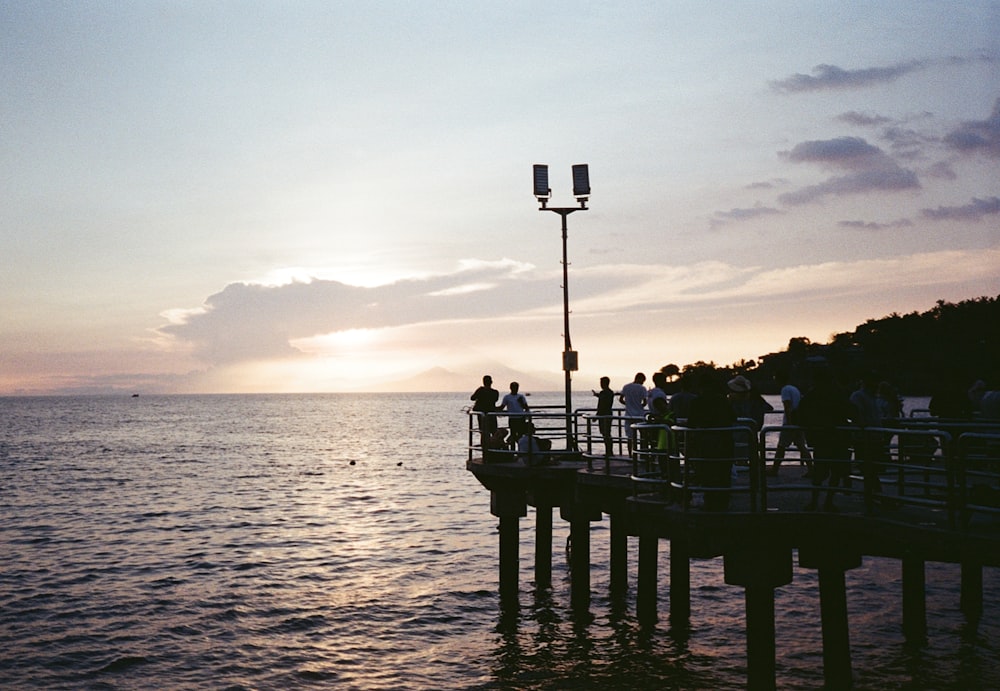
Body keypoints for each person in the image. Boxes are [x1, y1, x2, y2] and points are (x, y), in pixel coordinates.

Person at [798, 367, 854, 512]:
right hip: (837, 439)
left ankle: (814, 501)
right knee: (835, 471)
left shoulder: (811, 396)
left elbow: (799, 415)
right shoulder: (837, 393)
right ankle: (828, 501)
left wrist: (811, 427)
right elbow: (852, 411)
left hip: (820, 440)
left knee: (820, 472)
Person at [686, 371, 736, 511]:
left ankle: (711, 503)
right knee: (723, 474)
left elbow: (691, 423)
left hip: (705, 444)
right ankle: (723, 504)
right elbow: (733, 418)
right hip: (725, 443)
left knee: (707, 473)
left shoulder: (696, 402)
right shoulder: (723, 400)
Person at [771, 370, 813, 476]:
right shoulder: (794, 389)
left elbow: (787, 406)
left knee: (781, 446)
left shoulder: (785, 390)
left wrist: (789, 423)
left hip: (791, 422)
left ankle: (774, 469)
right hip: (798, 421)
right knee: (801, 446)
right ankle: (811, 469)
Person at [619, 372, 647, 456]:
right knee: (643, 435)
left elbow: (621, 399)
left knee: (630, 437)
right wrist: (640, 405)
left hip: (628, 415)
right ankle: (642, 453)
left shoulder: (626, 387)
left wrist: (627, 404)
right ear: (641, 379)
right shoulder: (642, 388)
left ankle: (630, 454)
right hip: (639, 414)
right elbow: (645, 402)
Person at [499, 381, 530, 448]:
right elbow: (502, 407)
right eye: (513, 387)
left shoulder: (521, 397)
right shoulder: (507, 397)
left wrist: (521, 403)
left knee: (520, 435)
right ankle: (513, 451)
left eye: (516, 387)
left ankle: (520, 450)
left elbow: (526, 407)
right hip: (512, 418)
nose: (515, 389)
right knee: (513, 435)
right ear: (510, 388)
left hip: (521, 418)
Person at [470, 375, 499, 443]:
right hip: (491, 415)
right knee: (493, 431)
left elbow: (472, 398)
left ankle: (485, 448)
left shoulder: (480, 391)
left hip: (483, 416)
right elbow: (495, 400)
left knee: (483, 433)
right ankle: (493, 447)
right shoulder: (495, 392)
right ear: (491, 382)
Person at [593, 376, 615, 457]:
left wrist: (597, 415)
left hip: (604, 415)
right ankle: (609, 451)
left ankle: (609, 451)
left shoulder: (605, 393)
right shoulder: (610, 392)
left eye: (602, 383)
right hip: (607, 414)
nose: (601, 384)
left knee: (606, 433)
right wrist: (597, 395)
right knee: (606, 433)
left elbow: (602, 405)